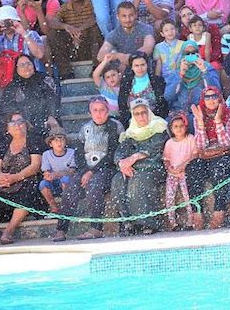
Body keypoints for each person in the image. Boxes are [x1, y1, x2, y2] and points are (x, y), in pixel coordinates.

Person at [53, 97, 123, 242]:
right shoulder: (85, 128)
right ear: (90, 112)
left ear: (108, 111)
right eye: (95, 110)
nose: (99, 113)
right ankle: (61, 229)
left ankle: (96, 228)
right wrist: (85, 170)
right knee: (71, 189)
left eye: (102, 110)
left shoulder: (115, 126)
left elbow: (113, 153)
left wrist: (92, 172)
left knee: (94, 186)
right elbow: (79, 153)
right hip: (86, 168)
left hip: (107, 168)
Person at [188, 86, 230, 229]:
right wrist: (200, 122)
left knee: (219, 167)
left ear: (219, 98)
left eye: (214, 96)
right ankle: (197, 211)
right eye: (207, 97)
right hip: (209, 155)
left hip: (227, 156)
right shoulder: (199, 115)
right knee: (193, 168)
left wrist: (218, 120)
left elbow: (226, 143)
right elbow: (201, 145)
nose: (211, 100)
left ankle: (219, 210)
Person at [113, 98, 168, 235]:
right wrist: (122, 163)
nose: (141, 116)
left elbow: (155, 147)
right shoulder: (131, 132)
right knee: (117, 180)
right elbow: (120, 151)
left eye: (144, 112)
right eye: (137, 114)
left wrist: (134, 157)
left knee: (139, 179)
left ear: (149, 112)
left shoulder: (159, 126)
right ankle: (128, 222)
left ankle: (147, 222)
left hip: (154, 167)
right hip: (135, 168)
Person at [0, 111, 43, 244]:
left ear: (26, 125)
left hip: (25, 178)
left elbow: (35, 166)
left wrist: (16, 177)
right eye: (13, 122)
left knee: (28, 193)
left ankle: (8, 232)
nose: (17, 125)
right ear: (7, 128)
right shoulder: (3, 143)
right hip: (4, 181)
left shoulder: (33, 140)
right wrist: (0, 177)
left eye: (20, 121)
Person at [0, 54, 60, 135]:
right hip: (23, 126)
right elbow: (8, 107)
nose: (26, 67)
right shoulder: (12, 87)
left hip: (48, 121)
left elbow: (53, 99)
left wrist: (52, 116)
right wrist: (23, 121)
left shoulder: (44, 79)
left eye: (28, 63)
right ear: (16, 68)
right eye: (22, 65)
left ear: (33, 65)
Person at [163, 113, 198, 231]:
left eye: (181, 126)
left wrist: (184, 165)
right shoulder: (169, 143)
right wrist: (169, 168)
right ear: (171, 129)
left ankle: (190, 221)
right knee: (170, 197)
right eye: (176, 126)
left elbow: (194, 155)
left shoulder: (190, 139)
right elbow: (166, 159)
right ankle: (172, 223)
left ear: (186, 127)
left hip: (185, 173)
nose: (179, 129)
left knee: (187, 196)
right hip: (172, 174)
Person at [38, 126, 75, 214]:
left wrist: (57, 174)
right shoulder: (46, 154)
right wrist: (48, 176)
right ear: (51, 144)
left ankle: (66, 207)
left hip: (68, 182)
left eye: (62, 140)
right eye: (55, 140)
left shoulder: (72, 152)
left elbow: (72, 171)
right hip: (53, 182)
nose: (59, 143)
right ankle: (54, 208)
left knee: (65, 179)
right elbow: (46, 171)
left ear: (65, 142)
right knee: (43, 184)